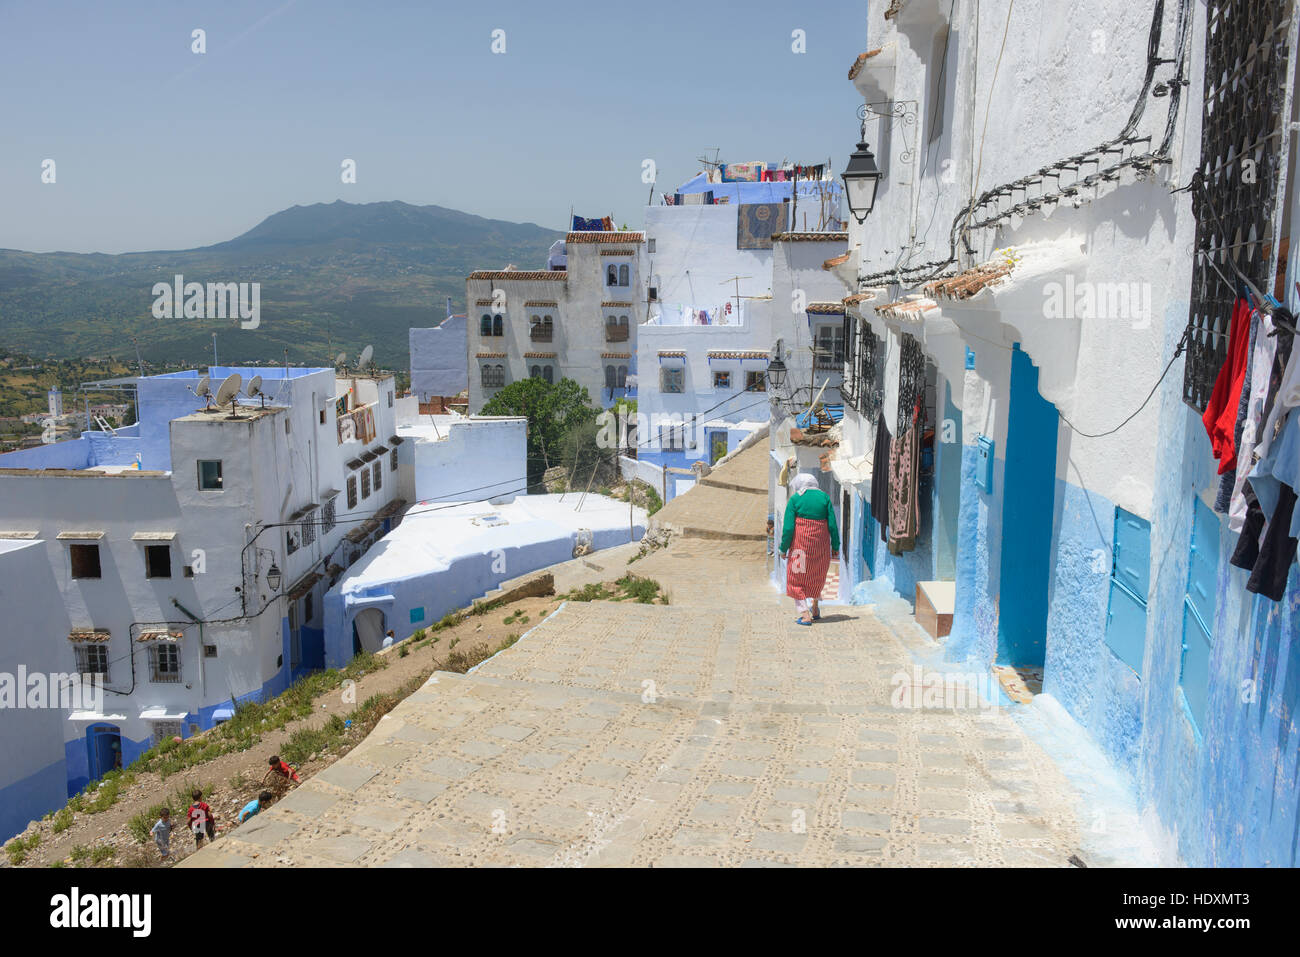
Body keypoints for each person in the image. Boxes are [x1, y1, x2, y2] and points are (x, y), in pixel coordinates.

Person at [779, 472, 840, 626]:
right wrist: (836, 546)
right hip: (821, 549)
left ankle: (805, 615)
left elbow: (788, 528)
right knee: (816, 576)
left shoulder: (795, 499)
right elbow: (832, 525)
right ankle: (815, 608)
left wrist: (783, 548)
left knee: (796, 579)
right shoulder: (825, 498)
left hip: (800, 549)